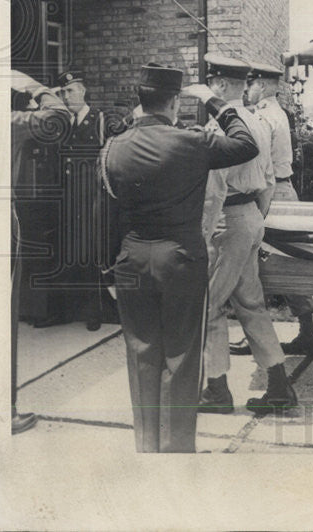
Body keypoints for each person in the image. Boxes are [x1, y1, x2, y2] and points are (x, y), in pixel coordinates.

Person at [100, 62, 259, 452]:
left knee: (141, 353)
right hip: (181, 260)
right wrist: (215, 103)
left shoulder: (112, 147)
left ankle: (148, 446)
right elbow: (246, 143)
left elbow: (104, 213)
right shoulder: (191, 142)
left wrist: (107, 268)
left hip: (131, 258)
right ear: (174, 102)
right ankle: (177, 452)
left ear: (139, 101)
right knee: (182, 355)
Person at [197, 54, 298, 415]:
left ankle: (217, 390)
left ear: (220, 85)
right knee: (250, 304)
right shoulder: (257, 120)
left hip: (228, 222)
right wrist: (256, 220)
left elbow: (212, 194)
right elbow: (269, 180)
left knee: (207, 307)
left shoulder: (220, 128)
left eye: (211, 84)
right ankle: (278, 384)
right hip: (252, 216)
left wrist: (205, 233)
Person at [230, 62, 313, 357]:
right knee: (286, 263)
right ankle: (306, 331)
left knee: (261, 264)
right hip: (282, 189)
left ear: (266, 86)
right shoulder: (277, 113)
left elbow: (259, 164)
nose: (247, 91)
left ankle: (261, 336)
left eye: (252, 85)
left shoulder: (264, 117)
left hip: (270, 193)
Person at [10, 71, 70, 433]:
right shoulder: (8, 122)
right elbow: (58, 117)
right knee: (2, 322)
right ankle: (4, 410)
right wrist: (35, 87)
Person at [57, 70, 112, 331]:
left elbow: (108, 157)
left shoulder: (98, 119)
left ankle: (94, 311)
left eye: (71, 91)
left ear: (83, 91)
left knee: (91, 255)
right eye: (63, 92)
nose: (67, 96)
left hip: (91, 198)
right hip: (68, 199)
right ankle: (67, 310)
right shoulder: (62, 122)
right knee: (68, 252)